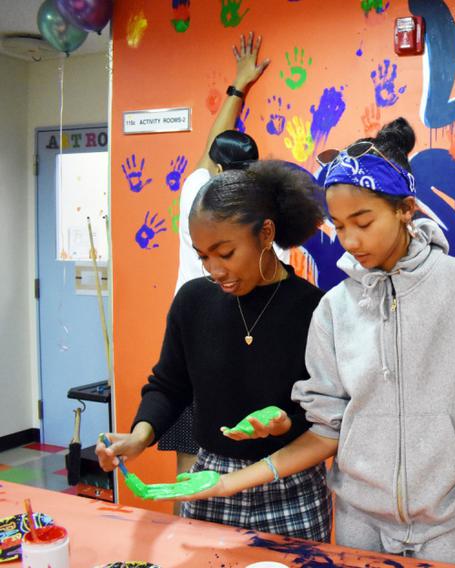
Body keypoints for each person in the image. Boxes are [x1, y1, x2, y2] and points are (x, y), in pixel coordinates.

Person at [163, 118, 455, 567]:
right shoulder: (334, 309)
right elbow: (326, 429)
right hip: (359, 527)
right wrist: (228, 483)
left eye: (363, 222)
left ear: (405, 209)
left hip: (452, 524)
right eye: (339, 225)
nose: (350, 240)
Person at [96, 160, 331, 540]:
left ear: (266, 233)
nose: (214, 269)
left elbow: (324, 414)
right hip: (209, 483)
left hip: (290, 485)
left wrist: (287, 422)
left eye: (225, 252)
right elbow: (168, 385)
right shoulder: (193, 301)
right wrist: (139, 436)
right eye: (203, 256)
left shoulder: (314, 309)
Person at [163, 32, 287, 496]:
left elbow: (211, 150)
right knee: (223, 470)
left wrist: (238, 86)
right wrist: (239, 86)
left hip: (212, 342)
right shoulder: (265, 216)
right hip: (216, 340)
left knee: (192, 479)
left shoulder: (197, 191)